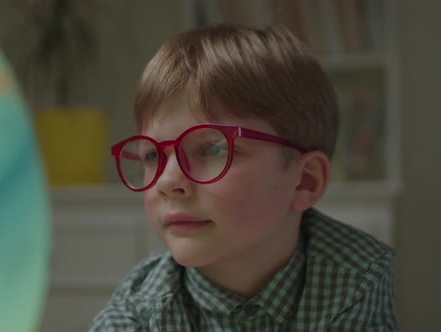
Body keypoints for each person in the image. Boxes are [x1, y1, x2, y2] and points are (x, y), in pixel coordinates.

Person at [88, 24, 396, 331]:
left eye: (210, 149)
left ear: (305, 181)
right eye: (153, 155)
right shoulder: (139, 304)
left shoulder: (367, 282)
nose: (167, 181)